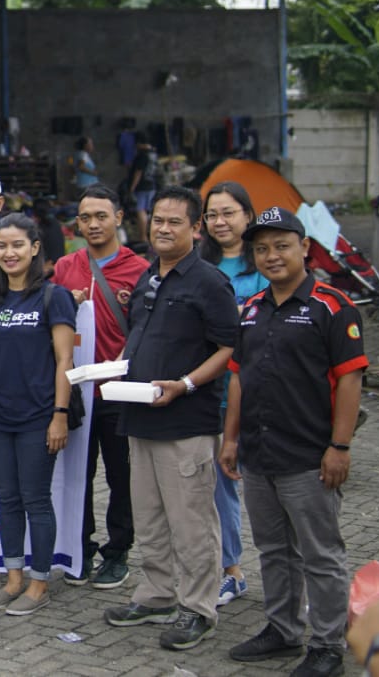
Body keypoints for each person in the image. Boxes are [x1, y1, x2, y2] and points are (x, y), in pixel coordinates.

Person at [220, 207, 366, 677]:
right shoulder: (250, 309)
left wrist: (339, 447)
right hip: (259, 454)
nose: (271, 255)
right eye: (261, 248)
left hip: (310, 456)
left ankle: (326, 646)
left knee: (321, 554)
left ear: (304, 248)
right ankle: (282, 631)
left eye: (282, 245)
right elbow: (239, 379)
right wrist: (230, 438)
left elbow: (349, 381)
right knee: (273, 549)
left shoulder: (332, 305)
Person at [104, 186, 239, 651]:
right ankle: (158, 594)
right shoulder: (148, 276)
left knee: (192, 522)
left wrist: (186, 384)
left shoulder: (209, 282)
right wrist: (117, 367)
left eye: (174, 222)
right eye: (157, 220)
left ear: (196, 228)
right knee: (151, 518)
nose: (162, 228)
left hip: (186, 422)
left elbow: (227, 347)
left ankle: (198, 607)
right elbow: (141, 335)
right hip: (140, 415)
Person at [0, 214, 76, 617]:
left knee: (35, 500)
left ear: (35, 248)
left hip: (38, 417)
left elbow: (65, 361)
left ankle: (39, 583)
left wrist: (59, 415)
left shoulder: (53, 297)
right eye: (2, 246)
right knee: (7, 499)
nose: (9, 253)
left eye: (17, 245)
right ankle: (12, 580)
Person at [51, 184, 148, 589]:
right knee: (78, 475)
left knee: (123, 475)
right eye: (85, 217)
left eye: (101, 216)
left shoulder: (140, 269)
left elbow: (145, 328)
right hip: (76, 391)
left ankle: (118, 551)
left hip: (118, 390)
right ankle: (80, 548)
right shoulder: (64, 267)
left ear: (119, 219)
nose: (93, 224)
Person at [200, 181, 268, 608]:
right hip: (211, 395)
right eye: (211, 215)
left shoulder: (263, 264)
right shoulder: (198, 265)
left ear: (247, 215)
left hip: (262, 396)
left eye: (228, 212)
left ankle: (290, 578)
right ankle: (231, 572)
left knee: (271, 489)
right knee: (218, 489)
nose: (220, 222)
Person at [128, 142, 159, 240]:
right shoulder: (153, 155)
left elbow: (138, 172)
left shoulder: (142, 155)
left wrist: (132, 187)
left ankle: (143, 236)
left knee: (140, 210)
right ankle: (150, 235)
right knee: (148, 211)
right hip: (151, 186)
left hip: (142, 187)